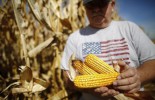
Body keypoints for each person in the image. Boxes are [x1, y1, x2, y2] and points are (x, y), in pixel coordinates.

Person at [61, 0, 155, 99]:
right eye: (91, 5)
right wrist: (88, 88)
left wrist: (139, 76)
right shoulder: (75, 37)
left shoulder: (130, 28)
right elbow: (67, 77)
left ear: (112, 5)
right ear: (84, 7)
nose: (96, 9)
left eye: (101, 4)